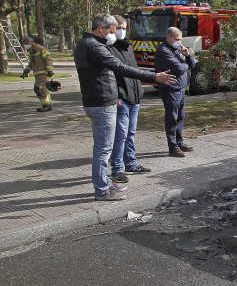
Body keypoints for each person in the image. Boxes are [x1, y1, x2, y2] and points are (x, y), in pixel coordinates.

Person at [74, 13, 177, 201]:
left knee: (105, 147)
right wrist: (154, 76)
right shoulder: (93, 46)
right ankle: (102, 190)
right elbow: (119, 67)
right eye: (112, 31)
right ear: (101, 28)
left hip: (100, 101)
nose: (113, 34)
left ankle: (105, 183)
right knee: (104, 149)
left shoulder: (89, 44)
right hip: (102, 102)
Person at [107, 15, 151, 185]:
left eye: (124, 28)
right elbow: (110, 75)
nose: (122, 31)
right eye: (119, 28)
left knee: (130, 133)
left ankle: (131, 163)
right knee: (121, 135)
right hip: (122, 98)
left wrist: (138, 91)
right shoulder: (108, 48)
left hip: (134, 97)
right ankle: (117, 168)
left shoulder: (127, 47)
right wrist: (116, 95)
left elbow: (134, 71)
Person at [154, 26, 196, 157]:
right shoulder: (163, 51)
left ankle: (179, 142)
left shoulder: (177, 49)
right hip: (170, 89)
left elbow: (192, 65)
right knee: (172, 117)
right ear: (169, 38)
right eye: (177, 39)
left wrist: (187, 56)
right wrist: (185, 65)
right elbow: (178, 68)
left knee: (180, 116)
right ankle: (173, 147)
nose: (180, 42)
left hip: (181, 87)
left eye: (181, 39)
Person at [20, 36, 54, 112]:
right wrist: (26, 71)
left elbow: (48, 59)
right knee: (42, 89)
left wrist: (49, 70)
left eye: (26, 43)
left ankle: (47, 105)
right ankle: (46, 105)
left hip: (43, 73)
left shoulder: (41, 49)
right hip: (38, 73)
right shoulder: (32, 51)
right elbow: (32, 63)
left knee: (39, 89)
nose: (26, 45)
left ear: (31, 42)